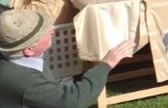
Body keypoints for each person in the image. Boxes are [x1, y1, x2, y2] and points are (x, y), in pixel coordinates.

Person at [0, 9, 134, 107]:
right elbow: (74, 100)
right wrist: (106, 64)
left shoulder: (16, 59)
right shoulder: (26, 83)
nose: (52, 31)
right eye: (44, 33)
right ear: (29, 50)